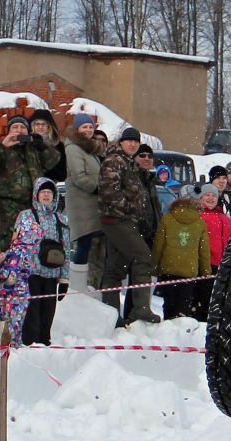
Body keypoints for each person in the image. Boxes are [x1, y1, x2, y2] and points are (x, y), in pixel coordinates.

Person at [97, 127, 159, 325]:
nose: (132, 144)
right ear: (121, 142)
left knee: (115, 269)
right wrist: (129, 210)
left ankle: (111, 314)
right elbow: (109, 191)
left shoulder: (129, 162)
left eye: (136, 141)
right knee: (143, 257)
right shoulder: (115, 160)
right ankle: (140, 309)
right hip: (117, 220)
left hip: (123, 221)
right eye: (129, 141)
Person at [0, 114, 61, 247]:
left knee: (35, 246)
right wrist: (3, 146)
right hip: (9, 209)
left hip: (34, 206)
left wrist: (42, 146)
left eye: (22, 127)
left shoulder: (33, 149)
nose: (19, 130)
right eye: (15, 127)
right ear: (9, 131)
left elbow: (54, 160)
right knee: (12, 247)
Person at [14, 178, 70, 345]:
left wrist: (65, 278)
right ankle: (29, 344)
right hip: (30, 273)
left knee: (47, 312)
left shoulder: (61, 219)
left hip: (52, 274)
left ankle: (45, 343)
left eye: (49, 192)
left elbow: (66, 248)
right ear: (36, 195)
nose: (46, 195)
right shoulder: (26, 216)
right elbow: (16, 244)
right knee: (32, 311)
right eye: (43, 192)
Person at [152, 184, 211, 321]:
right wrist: (206, 271)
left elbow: (158, 245)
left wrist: (154, 267)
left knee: (169, 303)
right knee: (183, 303)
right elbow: (204, 251)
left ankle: (168, 325)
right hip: (189, 270)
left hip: (168, 268)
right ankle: (181, 326)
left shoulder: (167, 218)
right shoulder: (200, 222)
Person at [63, 111, 102, 272]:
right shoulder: (73, 148)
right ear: (77, 129)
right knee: (83, 245)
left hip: (92, 205)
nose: (88, 130)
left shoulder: (88, 148)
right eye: (84, 127)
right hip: (82, 204)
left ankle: (89, 281)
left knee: (91, 246)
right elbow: (79, 176)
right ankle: (78, 283)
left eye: (90, 127)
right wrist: (98, 188)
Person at [195, 182, 231, 320]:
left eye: (213, 195)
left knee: (217, 299)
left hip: (222, 264)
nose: (211, 198)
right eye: (207, 195)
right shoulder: (199, 216)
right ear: (200, 198)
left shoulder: (224, 218)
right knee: (203, 297)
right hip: (205, 264)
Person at [31, 108, 67, 183]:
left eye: (43, 124)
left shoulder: (58, 145)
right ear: (33, 126)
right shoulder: (27, 143)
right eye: (37, 124)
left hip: (49, 186)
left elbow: (63, 174)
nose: (40, 127)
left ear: (49, 126)